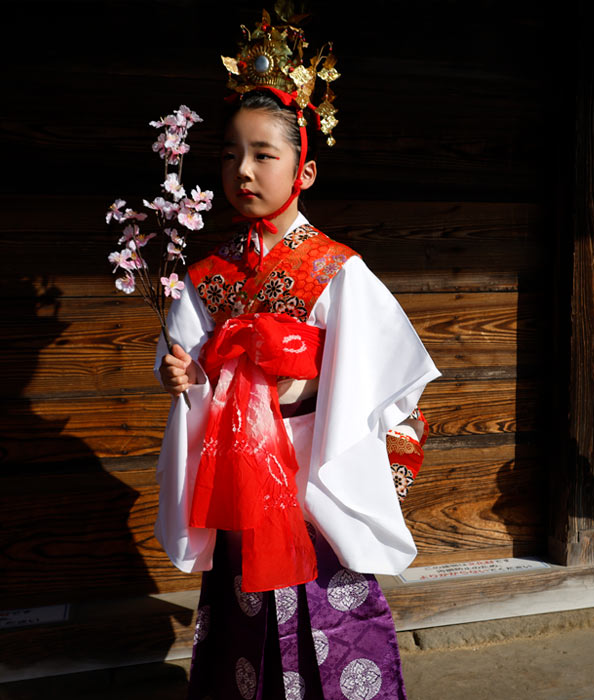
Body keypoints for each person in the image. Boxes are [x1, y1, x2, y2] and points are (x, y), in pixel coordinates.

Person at [155, 15, 439, 698]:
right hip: (239, 467)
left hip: (312, 470)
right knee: (240, 612)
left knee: (328, 607)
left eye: (263, 154)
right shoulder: (208, 274)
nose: (242, 171)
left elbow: (390, 377)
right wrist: (184, 377)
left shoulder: (335, 269)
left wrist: (311, 391)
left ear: (304, 169)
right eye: (230, 155)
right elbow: (188, 366)